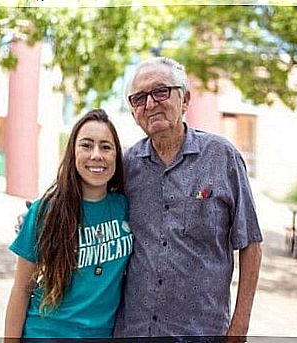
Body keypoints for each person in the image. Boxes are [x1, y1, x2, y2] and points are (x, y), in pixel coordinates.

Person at [112, 57, 263, 338]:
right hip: (135, 330)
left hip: (201, 332)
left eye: (160, 91)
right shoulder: (127, 165)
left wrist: (239, 327)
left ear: (185, 100)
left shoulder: (222, 156)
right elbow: (89, 201)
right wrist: (41, 217)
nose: (150, 103)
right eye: (139, 98)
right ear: (133, 111)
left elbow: (251, 244)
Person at [5, 109, 133, 339]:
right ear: (73, 153)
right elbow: (21, 289)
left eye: (106, 147)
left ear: (116, 155)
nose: (96, 155)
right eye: (86, 145)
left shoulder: (126, 208)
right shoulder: (45, 211)